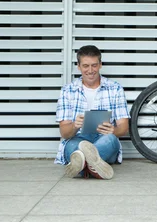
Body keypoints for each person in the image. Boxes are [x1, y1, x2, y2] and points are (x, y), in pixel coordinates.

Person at [54, 45, 129, 179]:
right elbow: (65, 133)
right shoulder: (67, 91)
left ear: (100, 65)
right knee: (72, 146)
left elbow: (123, 128)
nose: (90, 70)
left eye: (94, 65)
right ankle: (94, 168)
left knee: (111, 140)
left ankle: (81, 166)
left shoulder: (115, 88)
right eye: (85, 66)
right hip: (78, 138)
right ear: (78, 66)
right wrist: (75, 125)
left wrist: (113, 131)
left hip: (103, 137)